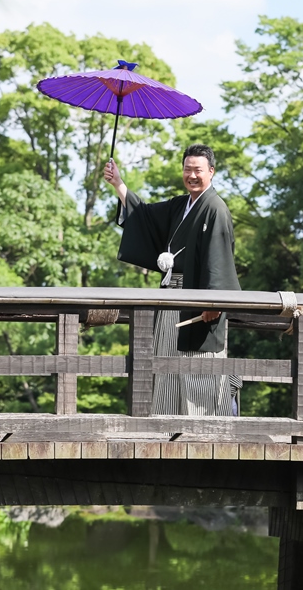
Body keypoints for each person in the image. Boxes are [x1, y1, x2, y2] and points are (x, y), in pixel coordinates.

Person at [103, 144, 242, 416]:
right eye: (187, 169)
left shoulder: (215, 209)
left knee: (198, 370)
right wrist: (118, 183)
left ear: (211, 172)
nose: (192, 175)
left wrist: (215, 302)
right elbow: (144, 217)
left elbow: (220, 259)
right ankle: (165, 426)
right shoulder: (181, 205)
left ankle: (205, 432)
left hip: (199, 301)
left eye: (198, 170)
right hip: (169, 298)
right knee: (165, 366)